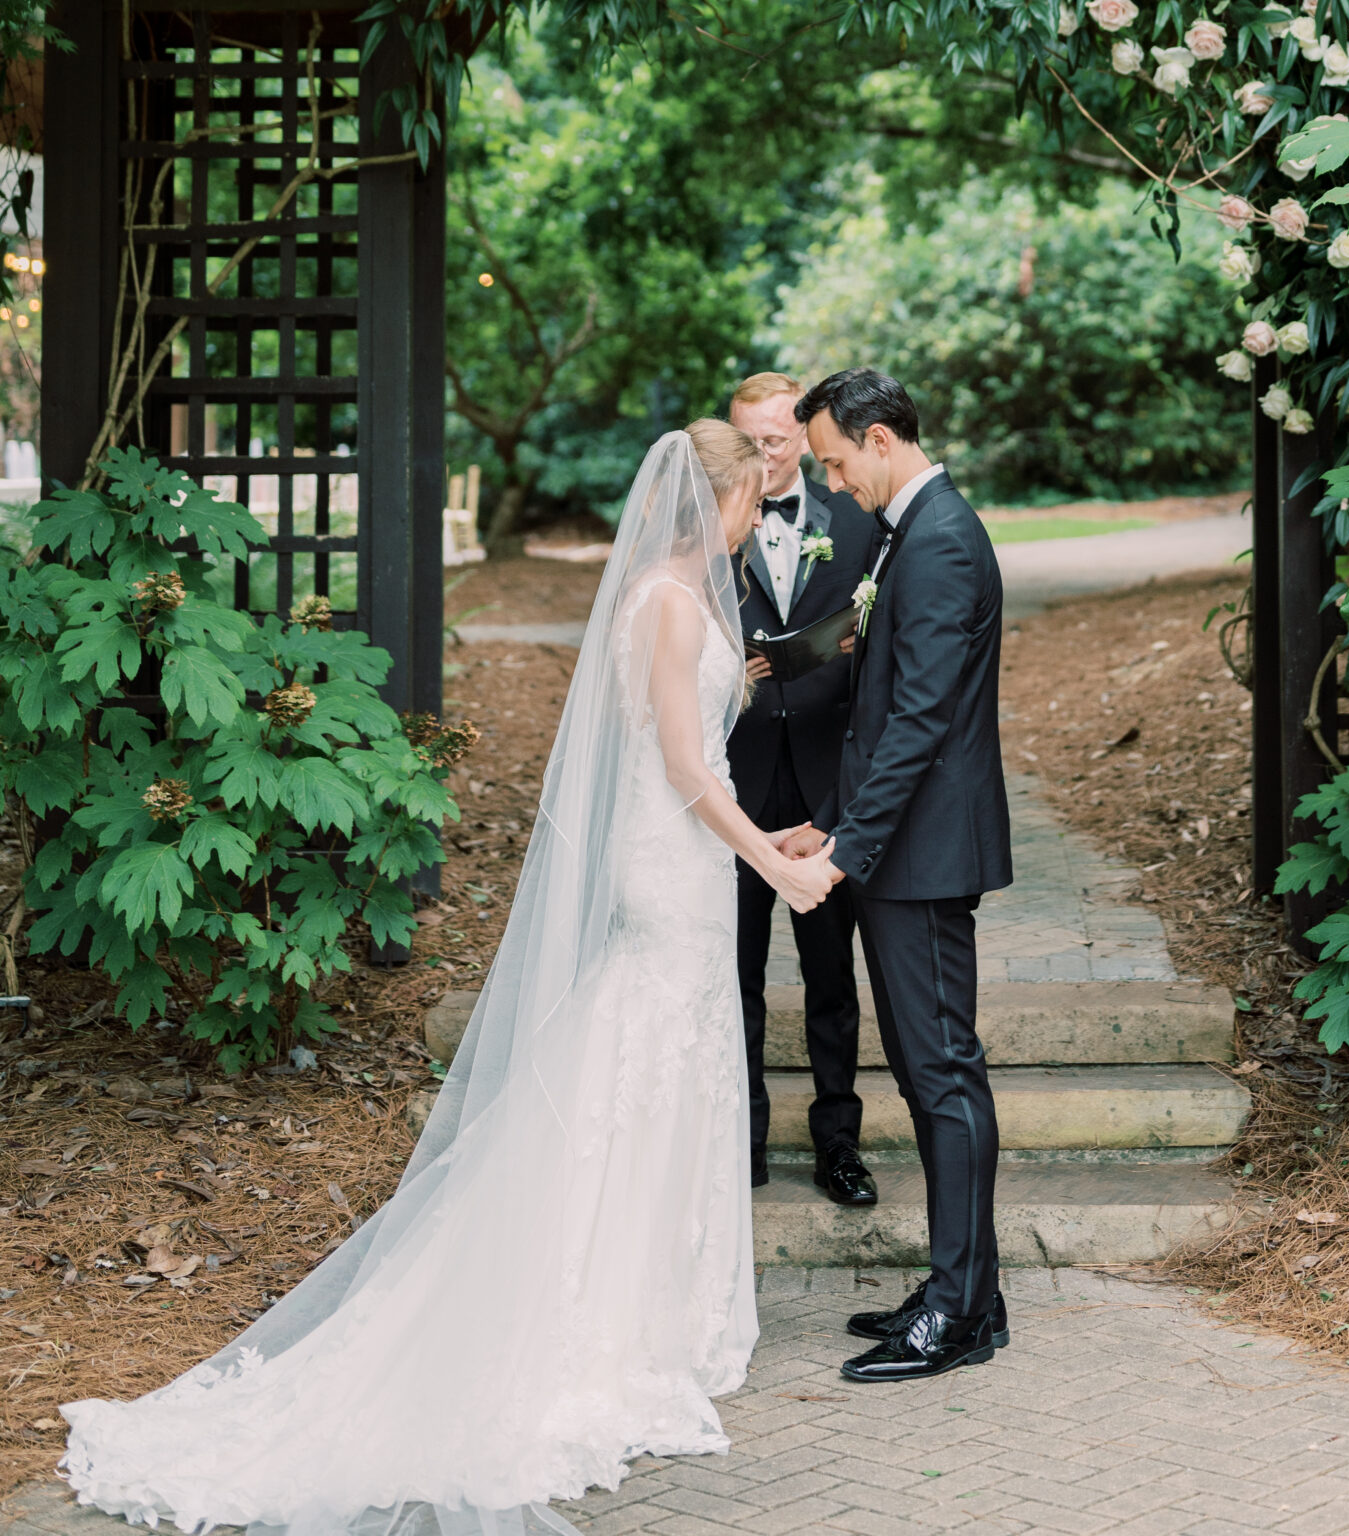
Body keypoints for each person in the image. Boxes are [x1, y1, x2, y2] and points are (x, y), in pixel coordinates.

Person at [61, 421, 839, 1536]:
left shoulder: (677, 595)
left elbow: (702, 761)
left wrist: (776, 828)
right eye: (744, 503)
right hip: (669, 861)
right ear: (703, 505)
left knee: (660, 1060)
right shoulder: (667, 604)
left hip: (690, 851)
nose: (751, 521)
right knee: (650, 1055)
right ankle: (603, 1320)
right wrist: (768, 858)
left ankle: (653, 1309)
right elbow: (675, 761)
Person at [779, 367, 1013, 1383]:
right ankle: (967, 1291)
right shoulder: (910, 534)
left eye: (834, 461)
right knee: (930, 1078)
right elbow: (880, 712)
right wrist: (825, 821)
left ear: (879, 439)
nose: (833, 485)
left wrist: (846, 849)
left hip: (919, 859)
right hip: (900, 846)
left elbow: (918, 720)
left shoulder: (941, 540)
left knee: (941, 1076)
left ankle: (959, 1313)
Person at [726, 370, 880, 1207]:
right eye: (746, 440)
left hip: (828, 776)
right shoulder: (707, 526)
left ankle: (839, 1144)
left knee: (831, 975)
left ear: (801, 434)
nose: (761, 455)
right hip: (736, 783)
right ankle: (741, 1142)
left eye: (775, 441)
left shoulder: (855, 518)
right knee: (734, 970)